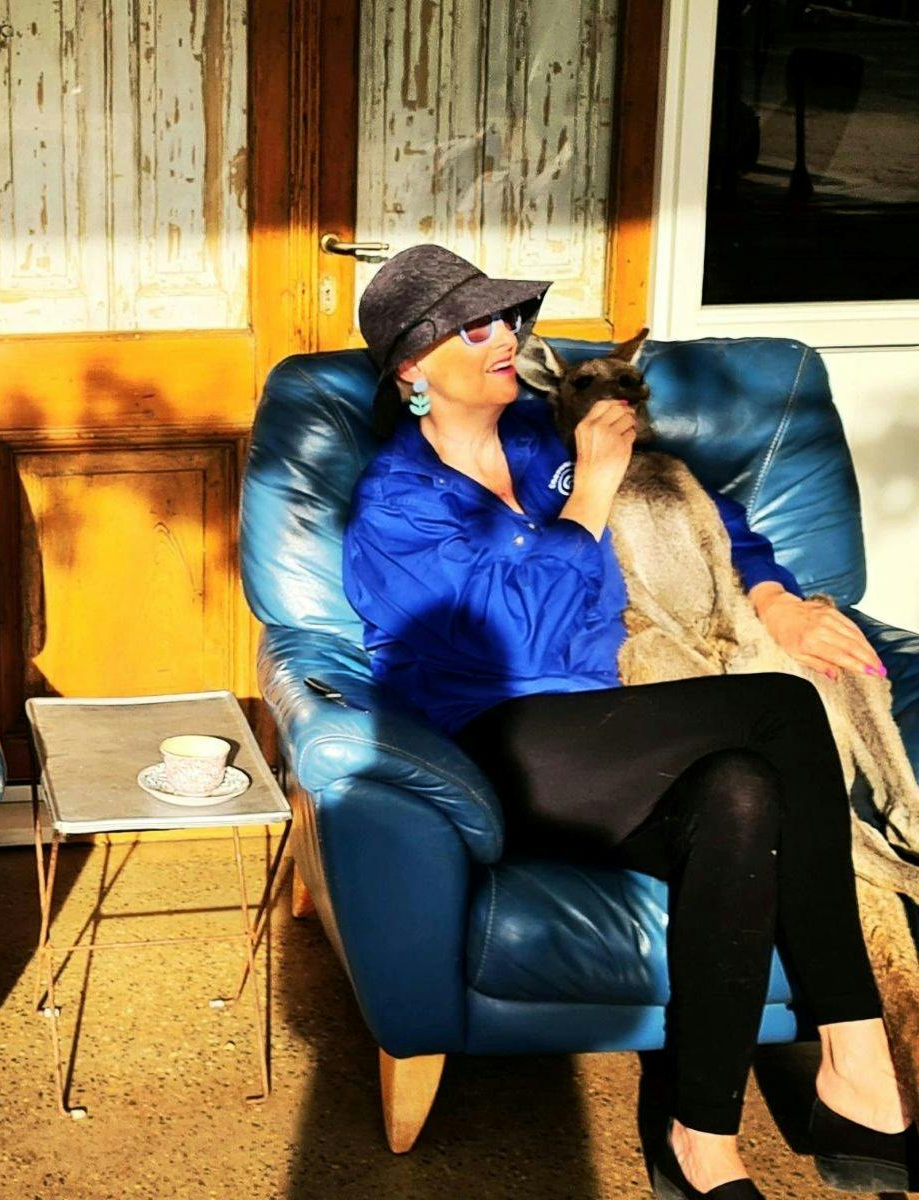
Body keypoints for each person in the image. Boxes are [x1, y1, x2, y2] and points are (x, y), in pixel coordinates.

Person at [341, 245, 910, 1199]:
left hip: (608, 731)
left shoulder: (543, 443)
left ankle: (701, 1140)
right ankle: (860, 1063)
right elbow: (512, 634)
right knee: (777, 708)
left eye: (509, 319)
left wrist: (770, 596)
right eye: (474, 326)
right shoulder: (397, 504)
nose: (506, 338)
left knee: (742, 791)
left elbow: (706, 511)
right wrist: (595, 486)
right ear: (411, 369)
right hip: (500, 746)